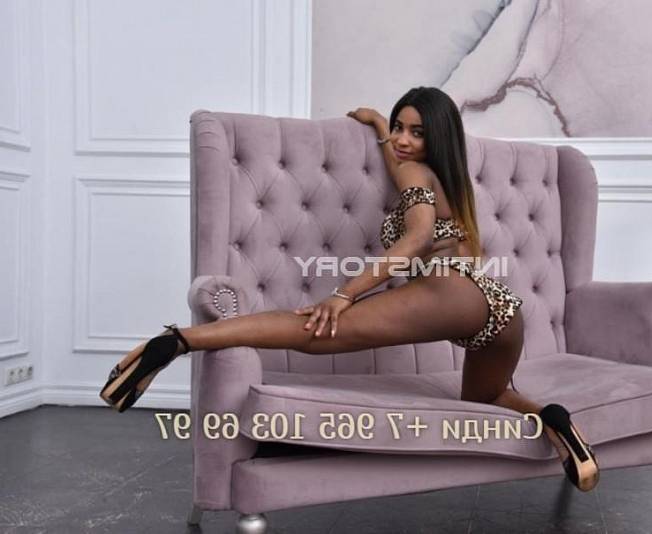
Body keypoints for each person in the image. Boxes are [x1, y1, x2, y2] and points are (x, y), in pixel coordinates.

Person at [98, 86, 599, 492]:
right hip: (501, 311)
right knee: (490, 395)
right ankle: (553, 419)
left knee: (313, 329)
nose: (403, 140)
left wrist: (346, 293)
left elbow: (417, 236)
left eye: (416, 132)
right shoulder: (448, 178)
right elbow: (399, 162)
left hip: (451, 294)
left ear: (437, 138)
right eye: (400, 128)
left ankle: (175, 342)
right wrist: (380, 125)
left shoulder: (418, 175)